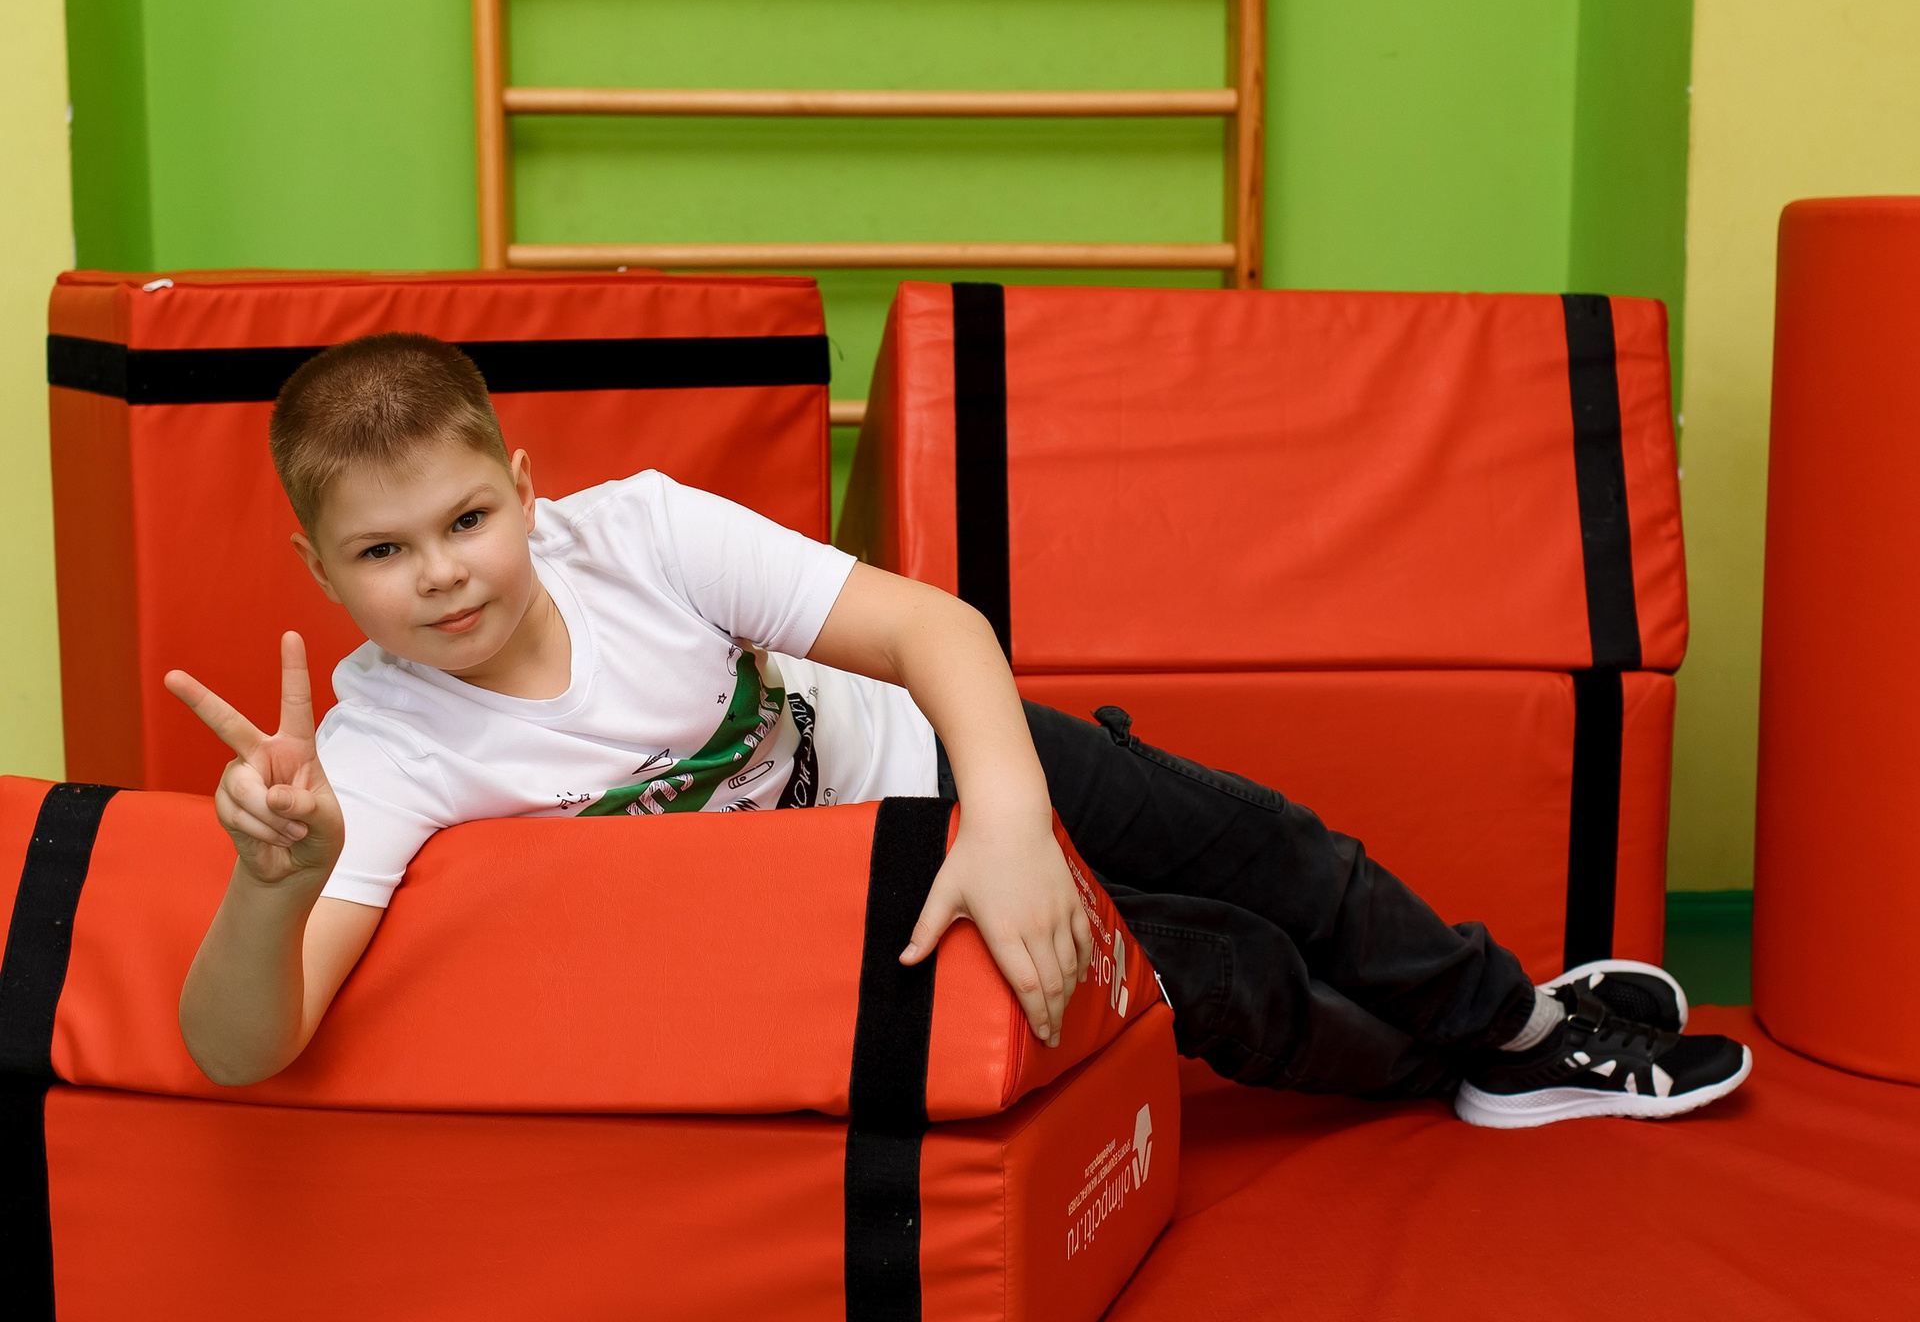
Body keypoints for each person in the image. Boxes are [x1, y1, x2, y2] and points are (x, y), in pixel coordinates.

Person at [166, 334, 1752, 1128]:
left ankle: (1518, 1029)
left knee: (1276, 849)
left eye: (467, 520)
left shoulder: (634, 533)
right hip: (856, 921)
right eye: (384, 552)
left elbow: (936, 630)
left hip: (931, 758)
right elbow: (242, 1050)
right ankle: (1444, 1075)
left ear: (528, 490)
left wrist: (1006, 823)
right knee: (1222, 974)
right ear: (320, 571)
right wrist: (269, 880)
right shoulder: (380, 749)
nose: (443, 574)